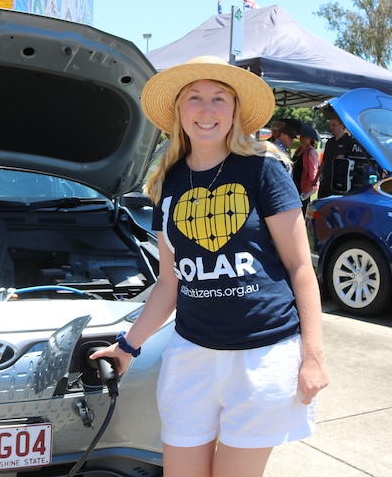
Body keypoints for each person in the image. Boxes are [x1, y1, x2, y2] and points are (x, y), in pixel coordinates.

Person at [91, 55, 329, 477]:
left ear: (235, 111)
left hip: (263, 358)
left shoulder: (263, 170)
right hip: (191, 358)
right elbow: (169, 284)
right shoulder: (167, 183)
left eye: (219, 98)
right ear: (179, 110)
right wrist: (127, 346)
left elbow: (300, 268)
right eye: (195, 97)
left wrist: (313, 357)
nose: (206, 109)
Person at [315, 113, 355, 198]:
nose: (331, 128)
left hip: (339, 184)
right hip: (325, 183)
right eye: (330, 125)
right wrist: (316, 178)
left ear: (342, 125)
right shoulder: (329, 142)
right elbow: (324, 161)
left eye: (334, 125)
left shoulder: (349, 142)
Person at [292, 123, 320, 213]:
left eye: (305, 136)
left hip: (303, 190)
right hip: (295, 187)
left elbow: (314, 173)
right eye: (302, 135)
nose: (302, 137)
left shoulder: (311, 152)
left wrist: (308, 192)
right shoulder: (298, 150)